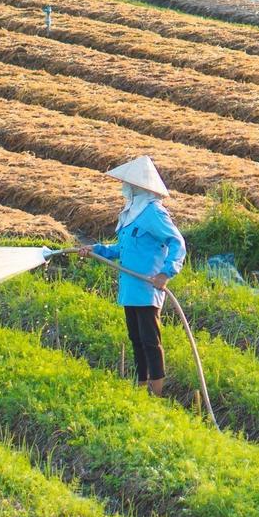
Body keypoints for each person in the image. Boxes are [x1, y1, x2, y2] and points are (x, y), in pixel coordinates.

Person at [72, 156, 186, 396]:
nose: (125, 189)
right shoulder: (132, 214)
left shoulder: (153, 213)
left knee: (150, 340)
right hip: (130, 288)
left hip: (147, 288)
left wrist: (166, 272)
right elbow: (121, 249)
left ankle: (156, 392)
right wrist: (96, 250)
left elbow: (176, 242)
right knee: (136, 339)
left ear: (141, 187)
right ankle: (141, 386)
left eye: (129, 185)